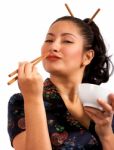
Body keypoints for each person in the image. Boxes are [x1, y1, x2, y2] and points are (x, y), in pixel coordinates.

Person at [7, 16, 114, 150]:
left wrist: (106, 134)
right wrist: (33, 99)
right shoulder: (21, 101)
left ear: (87, 57)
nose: (53, 46)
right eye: (49, 40)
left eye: (67, 41)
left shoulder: (102, 106)